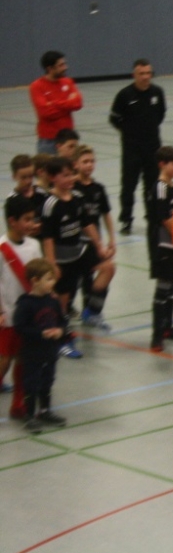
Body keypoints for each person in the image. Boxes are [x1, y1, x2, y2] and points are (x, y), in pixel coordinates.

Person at [40, 157, 115, 356]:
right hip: (62, 259)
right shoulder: (50, 204)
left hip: (79, 252)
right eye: (65, 175)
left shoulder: (77, 197)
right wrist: (52, 264)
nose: (70, 179)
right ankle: (61, 340)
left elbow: (87, 224)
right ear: (53, 178)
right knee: (62, 302)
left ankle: (92, 311)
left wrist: (99, 246)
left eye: (71, 174)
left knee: (108, 267)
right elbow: (47, 238)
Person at [109, 59, 166, 236]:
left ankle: (152, 216)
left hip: (153, 148)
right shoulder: (125, 95)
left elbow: (160, 114)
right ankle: (126, 219)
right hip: (132, 149)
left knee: (152, 184)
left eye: (148, 73)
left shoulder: (157, 92)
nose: (145, 77)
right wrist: (129, 132)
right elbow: (114, 118)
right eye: (141, 74)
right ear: (134, 75)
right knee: (129, 185)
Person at [14, 258, 69, 433]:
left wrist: (60, 331)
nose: (52, 283)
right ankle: (29, 414)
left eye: (52, 279)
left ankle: (45, 410)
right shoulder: (26, 303)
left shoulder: (53, 301)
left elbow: (62, 321)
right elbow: (20, 327)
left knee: (47, 380)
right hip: (32, 352)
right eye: (48, 279)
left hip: (49, 351)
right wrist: (40, 333)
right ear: (35, 281)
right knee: (31, 383)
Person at [0, 196, 43, 418]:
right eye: (26, 219)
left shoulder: (34, 245)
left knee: (23, 359)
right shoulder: (1, 248)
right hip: (7, 315)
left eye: (32, 218)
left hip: (28, 316)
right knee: (4, 360)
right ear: (12, 221)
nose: (31, 223)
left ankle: (18, 404)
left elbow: (40, 276)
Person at [73, 145, 116, 330]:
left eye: (92, 161)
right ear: (75, 164)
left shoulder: (98, 188)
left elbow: (106, 214)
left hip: (94, 243)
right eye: (85, 162)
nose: (89, 165)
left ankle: (93, 311)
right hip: (76, 243)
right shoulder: (72, 187)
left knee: (108, 268)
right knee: (77, 280)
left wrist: (112, 239)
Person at [150, 146, 173, 351]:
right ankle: (156, 336)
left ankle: (167, 327)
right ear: (162, 164)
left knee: (172, 288)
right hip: (164, 245)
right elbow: (164, 218)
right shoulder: (160, 188)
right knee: (162, 289)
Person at [28, 51, 82, 155]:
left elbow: (78, 103)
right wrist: (68, 104)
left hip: (68, 139)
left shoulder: (68, 82)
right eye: (61, 65)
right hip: (48, 141)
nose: (65, 67)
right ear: (50, 68)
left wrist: (54, 103)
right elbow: (46, 112)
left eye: (65, 64)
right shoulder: (36, 86)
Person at [8, 154, 47, 235]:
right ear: (14, 177)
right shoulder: (12, 201)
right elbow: (12, 231)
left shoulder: (42, 194)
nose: (28, 181)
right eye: (23, 177)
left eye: (31, 176)